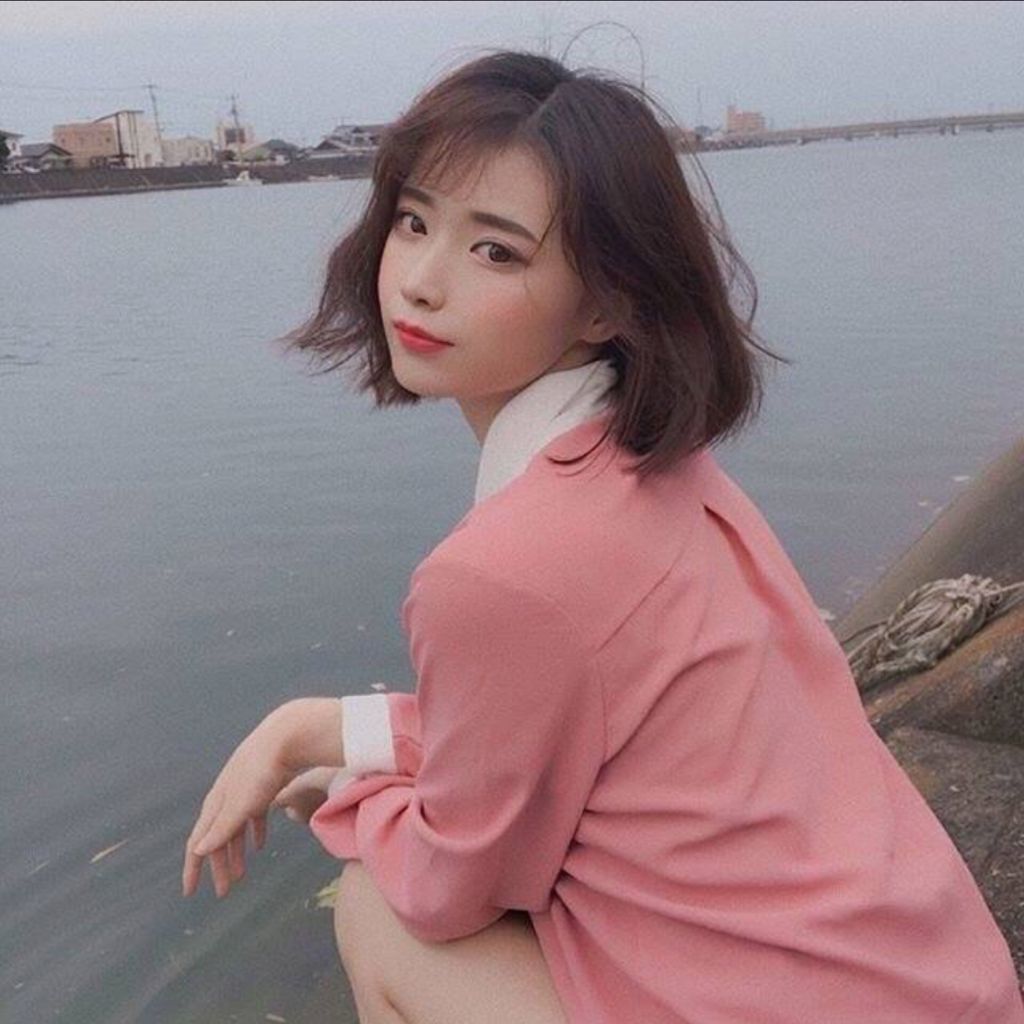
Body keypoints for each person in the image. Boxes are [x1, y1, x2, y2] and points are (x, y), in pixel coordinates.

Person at [182, 49, 1024, 1024]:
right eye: (414, 222)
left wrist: (351, 796)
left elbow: (451, 882)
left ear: (608, 300)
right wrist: (324, 728)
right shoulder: (657, 467)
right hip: (940, 985)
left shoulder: (501, 570)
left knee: (379, 908)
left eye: (495, 251)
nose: (419, 280)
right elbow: (538, 728)